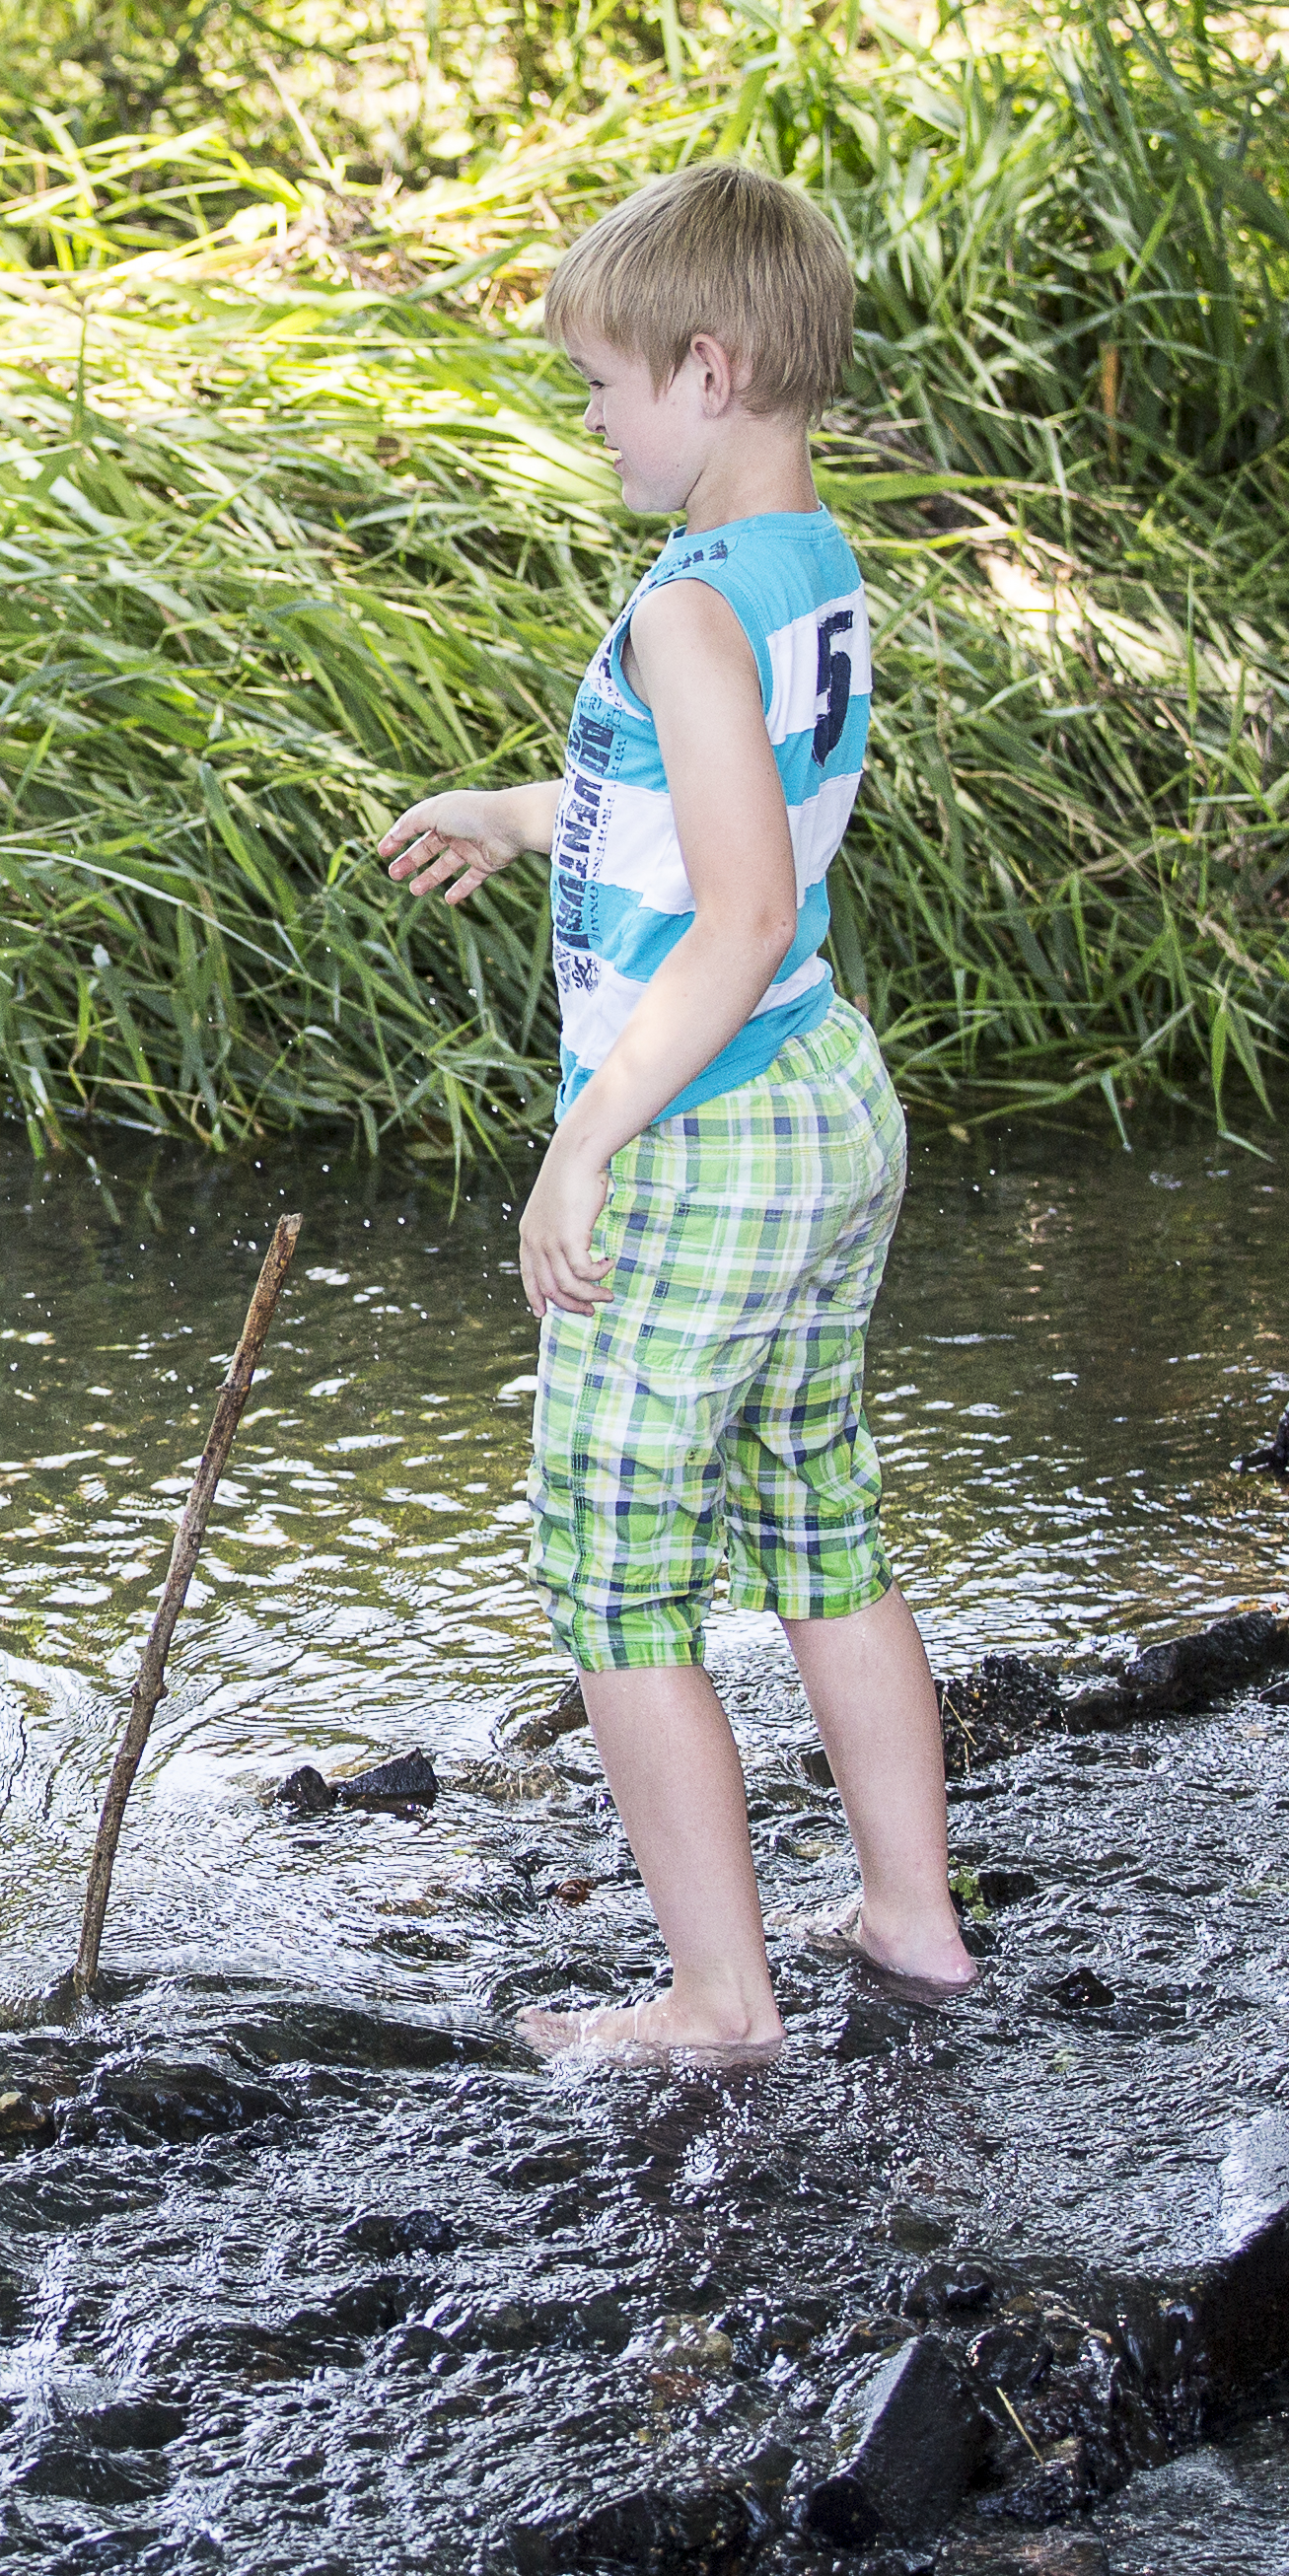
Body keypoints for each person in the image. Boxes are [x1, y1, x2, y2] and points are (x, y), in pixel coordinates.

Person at [376, 161, 969, 2056]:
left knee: (613, 1569)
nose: (595, 421)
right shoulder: (809, 569)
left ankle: (720, 1995)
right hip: (820, 1098)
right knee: (817, 1518)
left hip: (705, 1125)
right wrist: (517, 812)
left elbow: (742, 910)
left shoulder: (686, 613)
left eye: (605, 387)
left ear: (706, 371)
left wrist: (586, 1136)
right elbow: (725, 822)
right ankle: (908, 1916)